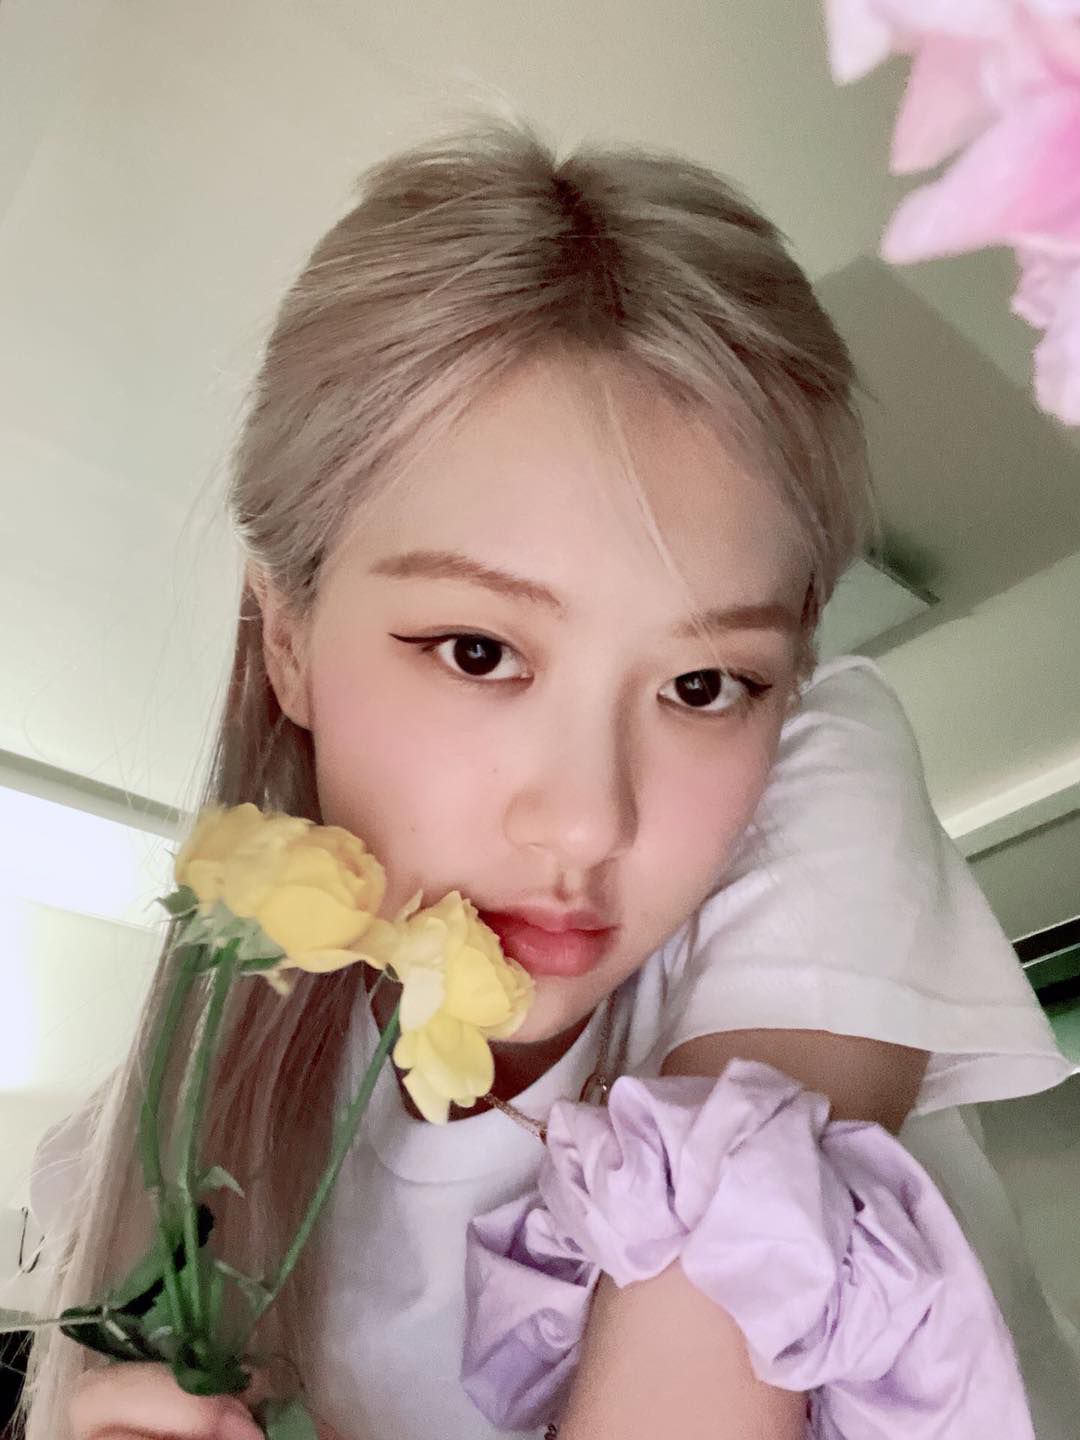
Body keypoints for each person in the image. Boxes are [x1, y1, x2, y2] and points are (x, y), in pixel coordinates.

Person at [23, 118, 1075, 1440]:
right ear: (285, 638)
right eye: (480, 652)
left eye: (705, 685)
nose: (588, 820)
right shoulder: (157, 1160)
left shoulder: (818, 776)